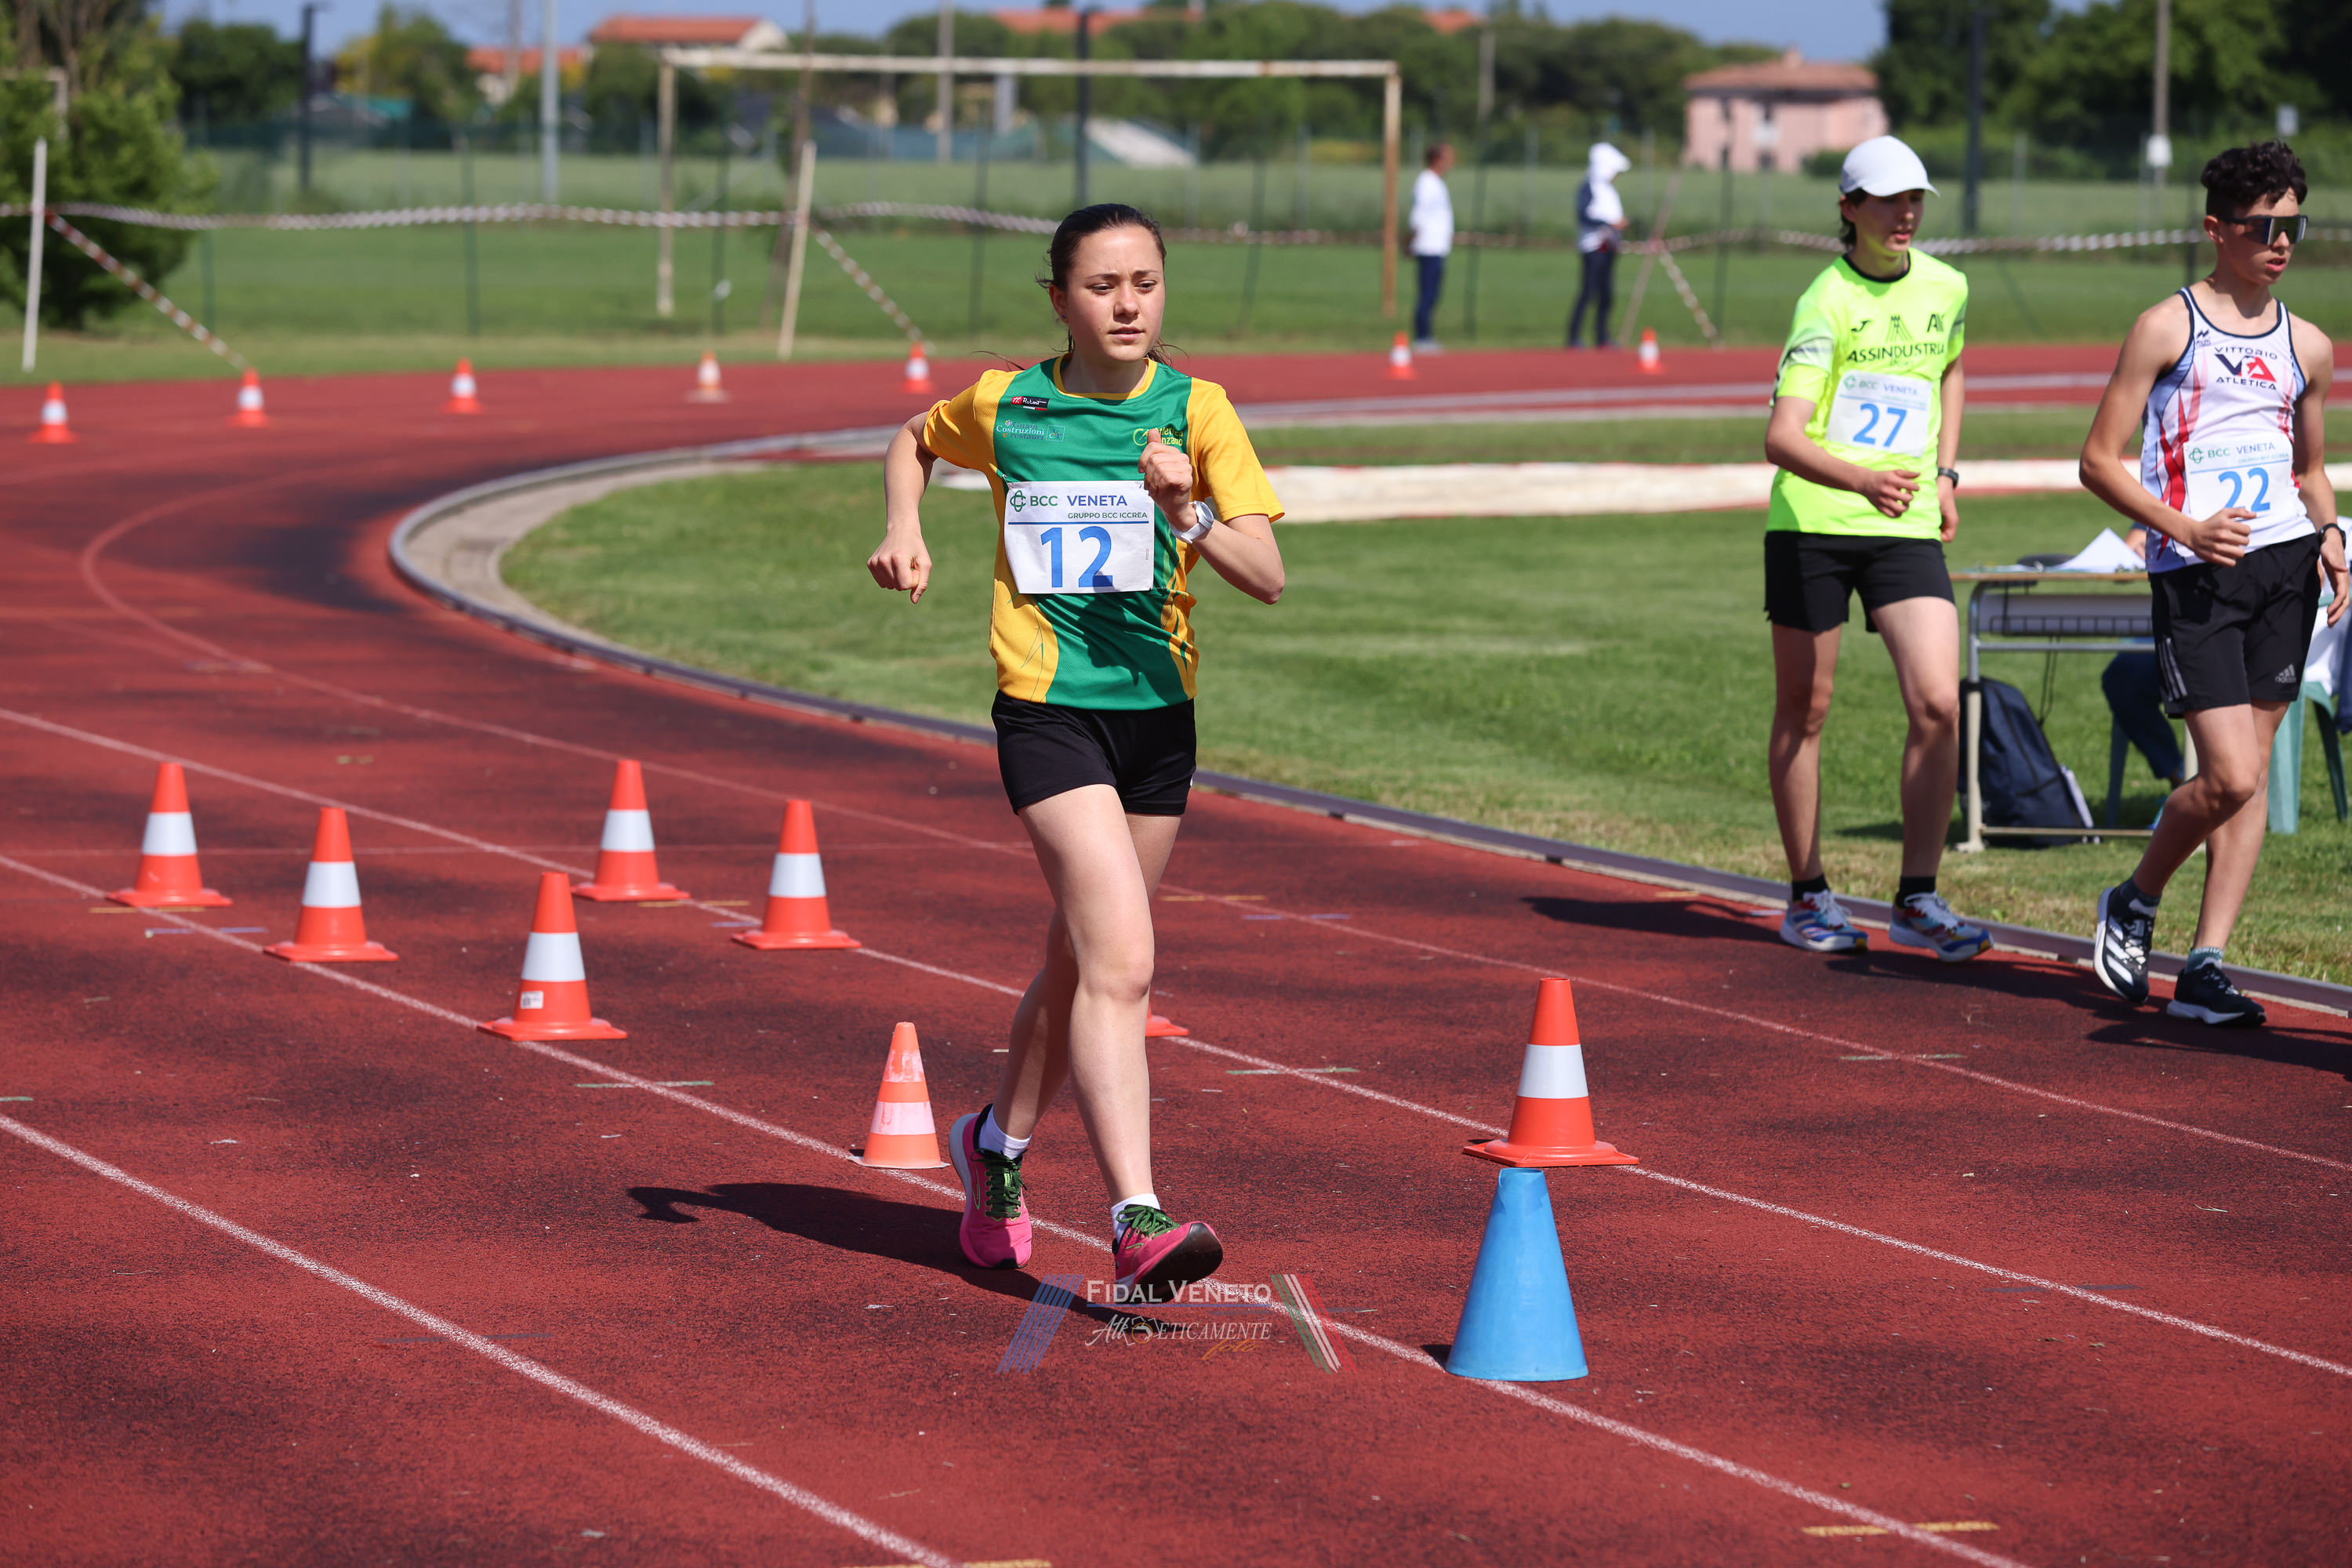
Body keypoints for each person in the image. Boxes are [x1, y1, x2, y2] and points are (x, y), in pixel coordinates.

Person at [866, 203, 1287, 1297]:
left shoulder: (1198, 410)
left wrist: (1187, 510)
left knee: (1079, 962)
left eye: (1146, 282)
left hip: (1158, 717)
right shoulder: (1009, 403)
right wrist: (905, 526)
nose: (1128, 304)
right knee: (1124, 964)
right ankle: (1137, 1217)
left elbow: (1268, 575)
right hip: (1049, 710)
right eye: (1103, 286)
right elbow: (913, 437)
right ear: (1060, 299)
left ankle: (994, 1146)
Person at [2082, 140, 2346, 1027]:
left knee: (2253, 774)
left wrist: (2331, 535)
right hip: (2197, 569)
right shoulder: (2167, 328)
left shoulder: (2309, 345)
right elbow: (2097, 460)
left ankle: (2205, 965)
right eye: (2263, 227)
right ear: (2215, 228)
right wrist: (2182, 527)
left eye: (2294, 226)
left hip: (2285, 568)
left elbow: (2311, 470)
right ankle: (2134, 898)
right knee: (2227, 775)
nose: (2282, 243)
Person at [1761, 135, 1991, 962]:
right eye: (1889, 200)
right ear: (1849, 208)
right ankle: (1807, 895)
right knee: (1807, 708)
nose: (1906, 213)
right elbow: (1782, 437)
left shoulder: (1947, 287)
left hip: (1903, 523)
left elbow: (1950, 368)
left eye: (1915, 198)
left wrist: (1946, 474)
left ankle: (1917, 897)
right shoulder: (1824, 303)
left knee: (1937, 703)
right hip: (1815, 522)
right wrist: (1861, 480)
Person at [1566, 142, 1632, 348]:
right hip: (1593, 248)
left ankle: (1602, 336)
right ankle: (1574, 337)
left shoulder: (1609, 190)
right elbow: (1583, 216)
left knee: (1607, 294)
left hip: (1610, 247)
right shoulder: (1589, 187)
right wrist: (1608, 224)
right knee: (1588, 292)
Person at [1410, 142, 1455, 352]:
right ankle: (1422, 337)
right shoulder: (1426, 182)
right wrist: (1411, 240)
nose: (1451, 163)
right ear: (1437, 159)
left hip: (1438, 246)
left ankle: (1426, 335)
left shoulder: (1436, 183)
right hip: (1427, 246)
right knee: (1427, 293)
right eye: (1448, 158)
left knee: (1433, 293)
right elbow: (1418, 214)